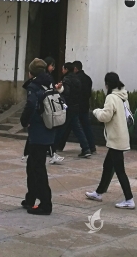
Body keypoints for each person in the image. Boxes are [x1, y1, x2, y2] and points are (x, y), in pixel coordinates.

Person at [85, 72, 135, 209]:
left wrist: (96, 111)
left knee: (119, 170)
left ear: (108, 84)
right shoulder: (123, 96)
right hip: (121, 136)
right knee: (108, 166)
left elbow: (105, 117)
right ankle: (98, 192)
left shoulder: (111, 97)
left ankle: (129, 199)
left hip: (116, 139)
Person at [20, 58, 55, 215]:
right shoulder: (49, 83)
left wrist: (24, 120)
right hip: (48, 129)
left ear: (31, 72)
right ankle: (30, 198)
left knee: (37, 167)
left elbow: (31, 104)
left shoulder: (34, 86)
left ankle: (45, 204)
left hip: (38, 131)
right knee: (32, 165)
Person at [54, 62, 90, 157]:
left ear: (66, 69)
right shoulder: (77, 79)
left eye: (63, 68)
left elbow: (66, 93)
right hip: (76, 106)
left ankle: (52, 148)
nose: (62, 70)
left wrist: (59, 89)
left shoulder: (67, 79)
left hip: (68, 107)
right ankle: (86, 148)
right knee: (78, 128)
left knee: (61, 127)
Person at [73, 60, 97, 156]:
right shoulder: (88, 78)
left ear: (75, 69)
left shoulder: (76, 79)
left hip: (77, 106)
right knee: (87, 127)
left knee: (78, 128)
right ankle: (92, 146)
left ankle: (86, 147)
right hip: (85, 106)